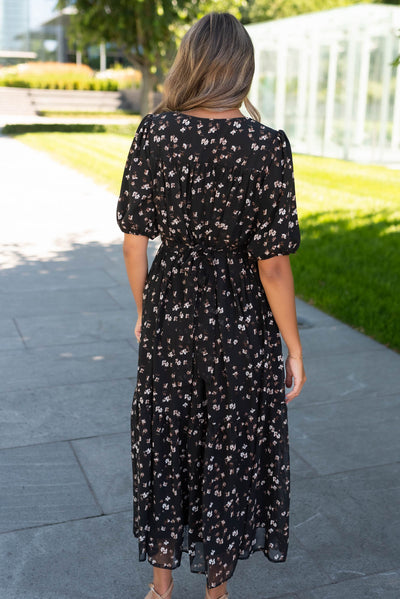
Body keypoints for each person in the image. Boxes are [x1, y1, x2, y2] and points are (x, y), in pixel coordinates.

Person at [116, 11, 306, 599]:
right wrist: (293, 347)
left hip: (173, 310)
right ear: (243, 71)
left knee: (166, 439)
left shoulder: (155, 132)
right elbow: (272, 264)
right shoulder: (267, 147)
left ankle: (160, 584)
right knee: (228, 444)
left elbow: (134, 240)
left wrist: (147, 311)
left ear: (190, 65)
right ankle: (217, 588)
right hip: (240, 321)